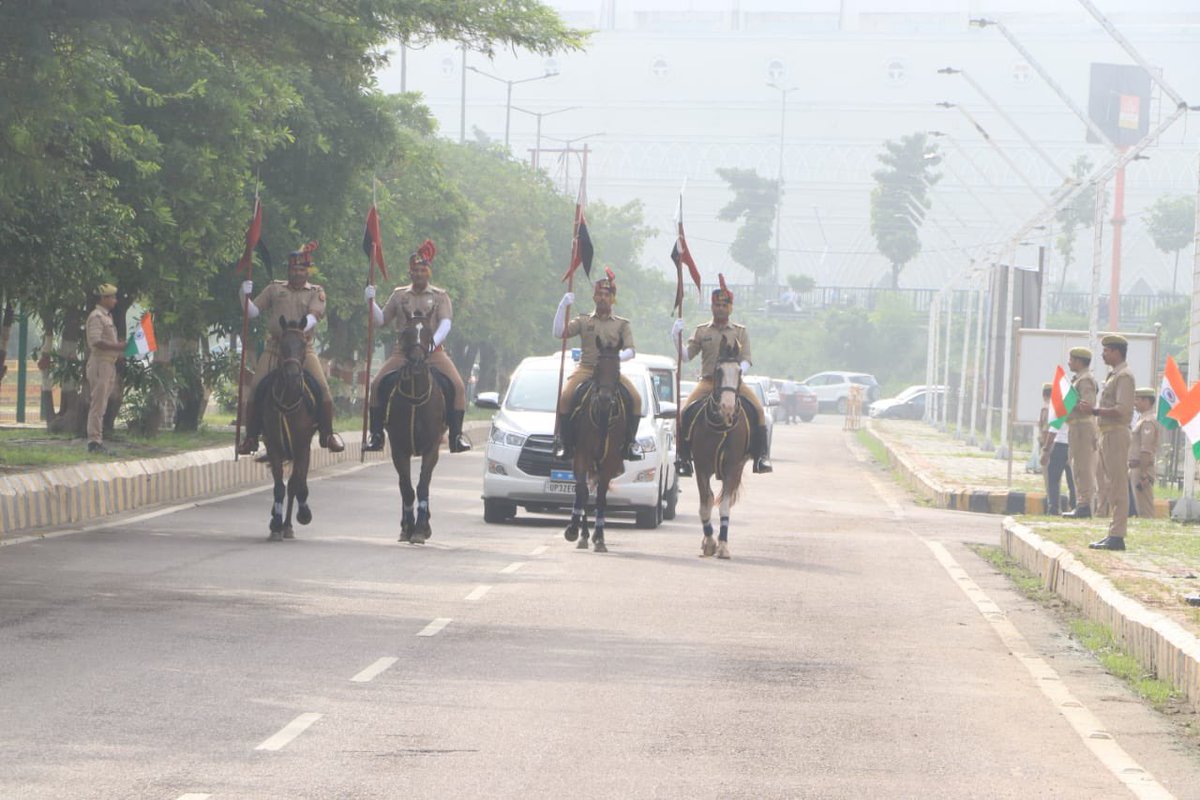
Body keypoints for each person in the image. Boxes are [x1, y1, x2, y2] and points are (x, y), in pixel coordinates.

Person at [236, 241, 344, 456]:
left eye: (301, 269)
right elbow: (253, 312)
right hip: (275, 348)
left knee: (323, 389)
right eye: (294, 269)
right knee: (256, 388)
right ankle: (251, 437)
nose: (297, 273)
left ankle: (328, 434)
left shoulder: (316, 291)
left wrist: (300, 329)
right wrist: (243, 294)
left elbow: (314, 316)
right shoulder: (275, 289)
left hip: (303, 349)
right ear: (288, 270)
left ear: (307, 271)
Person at [363, 239, 471, 453]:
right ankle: (376, 435)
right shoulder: (399, 295)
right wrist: (370, 302)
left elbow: (446, 323)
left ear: (428, 272)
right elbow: (381, 320)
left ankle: (456, 436)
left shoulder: (440, 296)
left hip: (433, 352)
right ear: (410, 272)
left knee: (457, 386)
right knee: (376, 385)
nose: (419, 273)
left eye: (423, 269)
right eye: (415, 270)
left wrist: (431, 345)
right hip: (403, 352)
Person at [672, 275, 773, 476]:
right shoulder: (702, 331)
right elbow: (686, 356)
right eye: (717, 304)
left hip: (733, 383)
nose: (720, 308)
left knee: (759, 411)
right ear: (712, 306)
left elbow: (746, 359)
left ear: (730, 308)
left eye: (724, 305)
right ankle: (683, 457)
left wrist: (736, 372)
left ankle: (760, 456)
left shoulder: (739, 332)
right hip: (708, 382)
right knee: (683, 414)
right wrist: (676, 336)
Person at [552, 268, 643, 462]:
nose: (603, 298)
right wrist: (562, 306)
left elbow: (631, 350)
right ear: (594, 297)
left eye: (607, 295)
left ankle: (630, 444)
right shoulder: (584, 320)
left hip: (610, 373)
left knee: (636, 399)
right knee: (566, 397)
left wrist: (617, 358)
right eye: (599, 294)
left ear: (613, 299)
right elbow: (559, 333)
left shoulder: (622, 324)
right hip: (586, 369)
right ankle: (565, 443)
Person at [1079, 334, 1135, 550]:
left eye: (1107, 350)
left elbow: (1122, 409)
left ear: (1117, 352)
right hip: (1107, 434)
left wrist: (1094, 410)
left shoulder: (1125, 376)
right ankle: (1113, 531)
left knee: (1118, 485)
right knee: (1109, 485)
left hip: (1117, 434)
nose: (1103, 354)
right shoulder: (1114, 375)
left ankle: (1117, 535)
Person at [84, 283, 126, 454]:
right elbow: (96, 341)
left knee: (102, 404)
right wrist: (117, 346)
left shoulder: (107, 317)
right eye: (112, 297)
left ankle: (97, 439)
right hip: (100, 364)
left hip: (108, 364)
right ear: (104, 298)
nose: (115, 301)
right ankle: (94, 441)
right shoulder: (96, 317)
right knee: (98, 405)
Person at [1062, 346, 1099, 519]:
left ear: (1078, 361)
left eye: (1071, 359)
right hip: (1076, 427)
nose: (1069, 363)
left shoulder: (1085, 380)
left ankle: (1084, 505)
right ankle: (1081, 502)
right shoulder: (1078, 379)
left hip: (1083, 427)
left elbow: (1088, 405)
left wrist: (1070, 403)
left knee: (1083, 467)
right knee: (1076, 466)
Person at [1039, 383, 1076, 514]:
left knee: (1053, 480)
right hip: (1072, 446)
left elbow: (1052, 430)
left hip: (1059, 446)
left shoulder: (1058, 408)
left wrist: (1045, 449)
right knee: (1073, 481)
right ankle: (1074, 507)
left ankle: (1053, 508)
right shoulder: (1075, 409)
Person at [1129, 387, 1160, 519]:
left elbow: (1146, 449)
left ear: (1147, 401)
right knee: (1139, 506)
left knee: (1145, 509)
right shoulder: (1141, 419)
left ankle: (1150, 533)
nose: (1135, 402)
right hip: (1136, 468)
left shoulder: (1148, 421)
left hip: (1142, 468)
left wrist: (1143, 473)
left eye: (1138, 399)